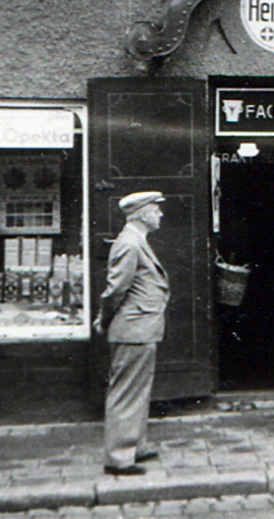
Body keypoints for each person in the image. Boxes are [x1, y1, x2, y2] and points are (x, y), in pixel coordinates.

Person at [95, 191, 169, 475]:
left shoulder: (136, 240)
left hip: (141, 327)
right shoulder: (128, 243)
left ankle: (135, 445)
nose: (160, 214)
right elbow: (115, 290)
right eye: (155, 209)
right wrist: (104, 319)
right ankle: (118, 458)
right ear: (142, 214)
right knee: (127, 392)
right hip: (133, 328)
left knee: (138, 390)